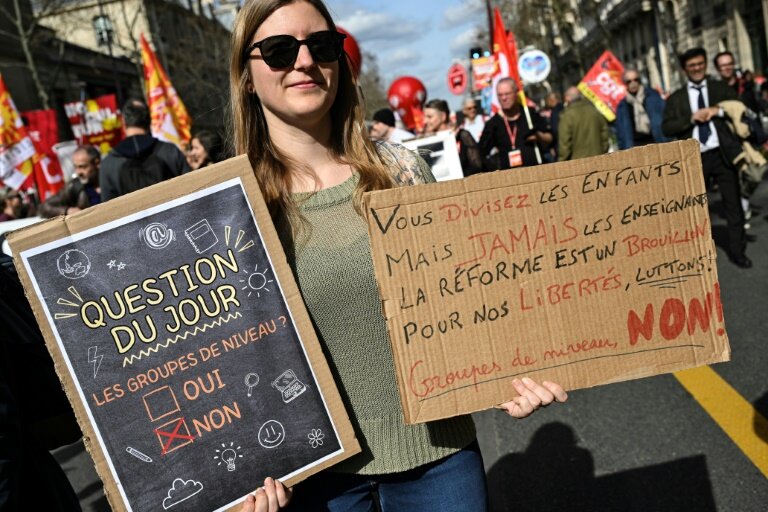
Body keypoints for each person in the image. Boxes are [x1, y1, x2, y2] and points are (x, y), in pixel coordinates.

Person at [229, 1, 567, 510]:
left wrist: (512, 369)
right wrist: (229, 470)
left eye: (321, 46)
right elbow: (222, 355)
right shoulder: (226, 210)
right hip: (312, 479)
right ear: (248, 76)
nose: (304, 62)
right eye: (279, 51)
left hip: (439, 458)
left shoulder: (401, 171)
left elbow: (456, 304)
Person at [662, 47, 751, 269]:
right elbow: (666, 127)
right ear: (685, 69)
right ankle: (696, 254)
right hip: (694, 158)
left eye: (700, 64)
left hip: (722, 155)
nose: (697, 68)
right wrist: (690, 119)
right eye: (692, 65)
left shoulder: (720, 88)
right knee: (693, 207)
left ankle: (738, 252)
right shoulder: (676, 98)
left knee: (733, 205)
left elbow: (740, 110)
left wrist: (717, 111)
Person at [99, 99, 190, 201]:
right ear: (149, 120)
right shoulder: (169, 151)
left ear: (123, 122)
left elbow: (108, 208)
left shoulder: (109, 164)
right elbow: (191, 188)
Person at [479, 77, 551, 170]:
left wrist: (539, 136)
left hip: (536, 171)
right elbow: (481, 151)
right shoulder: (493, 123)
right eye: (500, 95)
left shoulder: (529, 114)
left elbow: (550, 137)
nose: (504, 98)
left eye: (507, 94)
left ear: (516, 93)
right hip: (510, 178)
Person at [423, 98, 484, 175]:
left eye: (429, 117)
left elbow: (477, 166)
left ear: (443, 116)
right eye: (425, 117)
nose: (425, 121)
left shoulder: (462, 136)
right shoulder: (428, 141)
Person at [39, 145, 102, 218]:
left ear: (97, 163)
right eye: (76, 167)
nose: (78, 172)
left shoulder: (112, 181)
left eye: (83, 167)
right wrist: (67, 210)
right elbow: (44, 207)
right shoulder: (73, 187)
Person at [615, 69, 669, 149]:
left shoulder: (653, 96)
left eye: (635, 80)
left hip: (657, 143)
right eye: (629, 81)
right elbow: (620, 133)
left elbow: (665, 117)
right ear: (625, 84)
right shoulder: (622, 106)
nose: (633, 83)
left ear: (639, 81)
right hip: (635, 147)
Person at [557, 86, 609, 161]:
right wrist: (603, 151)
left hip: (578, 162)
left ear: (567, 98)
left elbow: (564, 144)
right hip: (599, 157)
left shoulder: (567, 116)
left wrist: (562, 161)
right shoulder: (594, 111)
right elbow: (605, 134)